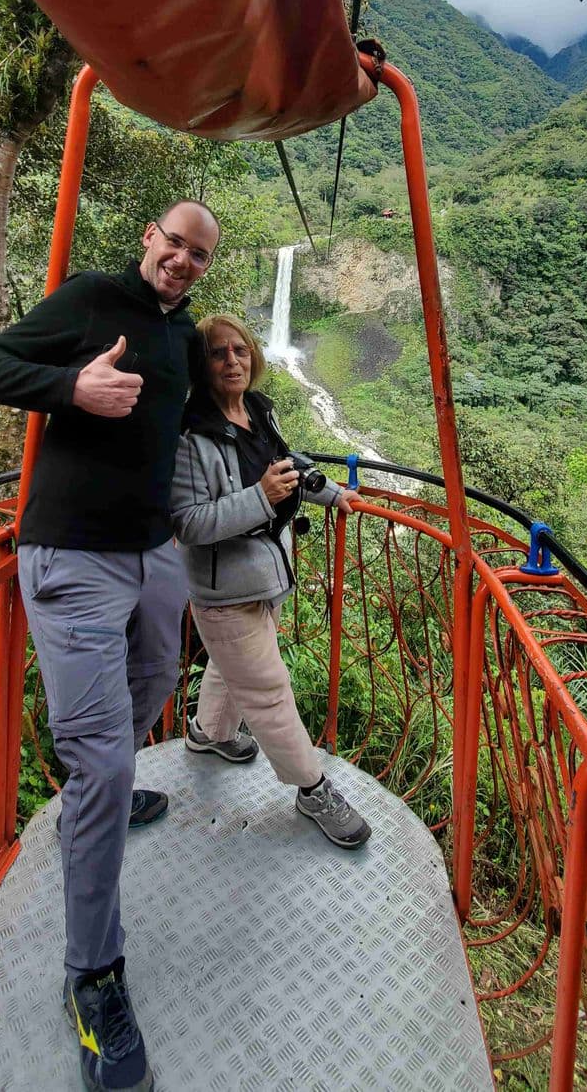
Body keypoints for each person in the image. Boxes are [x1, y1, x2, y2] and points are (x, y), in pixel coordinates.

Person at [0, 200, 220, 1092]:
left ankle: (99, 786)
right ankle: (93, 977)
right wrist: (72, 388)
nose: (181, 261)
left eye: (198, 255)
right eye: (173, 244)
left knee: (155, 676)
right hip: (71, 551)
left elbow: (200, 422)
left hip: (153, 552)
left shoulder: (182, 336)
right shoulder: (89, 299)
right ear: (150, 237)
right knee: (106, 766)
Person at [170, 314, 372, 850]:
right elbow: (187, 522)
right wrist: (260, 497)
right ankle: (312, 788)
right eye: (218, 353)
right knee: (267, 690)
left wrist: (331, 493)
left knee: (229, 662)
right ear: (202, 365)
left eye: (240, 349)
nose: (232, 360)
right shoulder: (191, 436)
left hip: (267, 572)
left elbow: (286, 465)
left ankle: (208, 734)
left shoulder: (258, 410)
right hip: (224, 591)